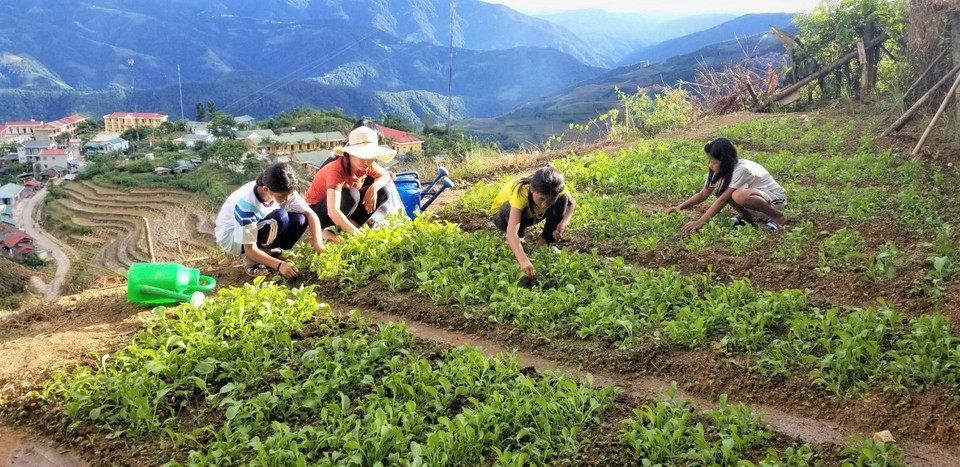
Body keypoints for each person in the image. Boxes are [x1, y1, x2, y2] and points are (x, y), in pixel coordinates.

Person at [215, 162, 326, 278]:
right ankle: (252, 260)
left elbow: (310, 214)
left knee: (300, 219)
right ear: (266, 189)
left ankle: (272, 255)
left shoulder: (284, 189)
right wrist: (279, 266)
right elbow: (249, 248)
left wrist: (319, 245)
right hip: (233, 239)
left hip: (259, 227)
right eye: (282, 196)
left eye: (289, 194)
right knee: (280, 216)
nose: (287, 199)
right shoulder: (247, 205)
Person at [667, 138, 787, 233]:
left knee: (738, 195)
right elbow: (703, 194)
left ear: (725, 160)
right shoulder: (719, 172)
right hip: (757, 199)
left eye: (714, 162)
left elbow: (723, 199)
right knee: (724, 188)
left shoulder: (741, 169)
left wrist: (700, 222)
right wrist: (679, 207)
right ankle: (746, 215)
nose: (710, 165)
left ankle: (778, 217)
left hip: (774, 198)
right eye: (709, 161)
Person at [305, 125, 396, 235]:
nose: (366, 162)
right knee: (351, 194)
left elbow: (385, 175)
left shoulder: (365, 165)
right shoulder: (336, 170)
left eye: (370, 157)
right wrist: (359, 235)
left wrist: (373, 189)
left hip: (340, 207)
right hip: (317, 213)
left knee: (383, 191)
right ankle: (329, 232)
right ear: (349, 154)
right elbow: (333, 211)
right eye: (362, 156)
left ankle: (352, 225)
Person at [491, 165, 577, 279]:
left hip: (530, 216)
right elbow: (511, 233)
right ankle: (520, 240)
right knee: (509, 207)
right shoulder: (521, 192)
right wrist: (523, 261)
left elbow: (572, 204)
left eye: (550, 200)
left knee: (563, 200)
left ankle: (543, 243)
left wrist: (563, 223)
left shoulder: (556, 188)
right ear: (532, 189)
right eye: (541, 199)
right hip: (502, 218)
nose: (544, 205)